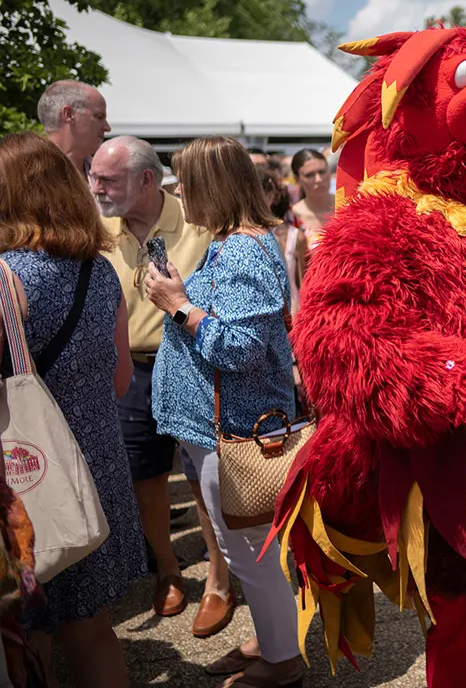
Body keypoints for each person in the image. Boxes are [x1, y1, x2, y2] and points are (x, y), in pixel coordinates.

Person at [145, 136, 301, 686]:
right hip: (220, 431)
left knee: (249, 555)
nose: (177, 192)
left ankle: (283, 663)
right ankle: (274, 639)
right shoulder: (235, 244)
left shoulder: (239, 250)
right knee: (255, 553)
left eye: (183, 182)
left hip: (233, 434)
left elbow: (240, 349)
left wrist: (180, 305)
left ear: (210, 185)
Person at [0, 132, 143, 688]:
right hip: (96, 466)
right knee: (90, 625)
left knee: (25, 623)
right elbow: (121, 378)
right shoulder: (99, 269)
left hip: (26, 475)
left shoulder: (7, 278)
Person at [90, 137, 227, 633]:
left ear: (147, 180)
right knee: (145, 477)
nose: (96, 188)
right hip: (130, 371)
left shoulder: (200, 222)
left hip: (193, 365)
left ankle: (219, 576)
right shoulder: (96, 230)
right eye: (94, 177)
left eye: (108, 179)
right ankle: (168, 571)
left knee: (202, 478)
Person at [257, 168, 308, 315]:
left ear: (272, 196)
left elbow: (302, 282)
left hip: (291, 315)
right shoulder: (235, 235)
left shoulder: (293, 235)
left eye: (260, 193)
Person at [36, 81, 110, 176]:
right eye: (99, 116)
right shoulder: (25, 174)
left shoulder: (106, 176)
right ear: (69, 115)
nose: (107, 128)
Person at [289, 148, 334, 238]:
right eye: (309, 175)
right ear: (297, 179)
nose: (318, 179)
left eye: (322, 172)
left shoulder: (348, 207)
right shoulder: (292, 217)